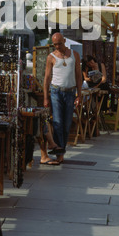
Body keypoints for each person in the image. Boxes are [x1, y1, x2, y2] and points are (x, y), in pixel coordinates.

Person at [44, 33, 82, 164]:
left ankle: (61, 151)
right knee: (58, 123)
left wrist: (79, 95)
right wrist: (45, 97)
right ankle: (59, 154)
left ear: (64, 41)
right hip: (56, 92)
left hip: (70, 92)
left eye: (59, 43)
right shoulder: (51, 57)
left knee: (66, 125)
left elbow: (78, 75)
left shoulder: (74, 55)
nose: (57, 46)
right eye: (55, 44)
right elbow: (47, 78)